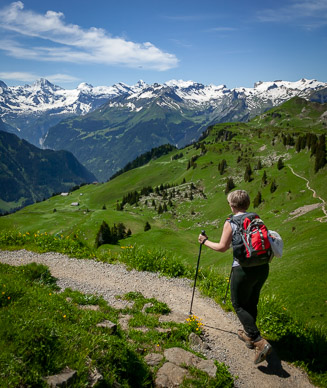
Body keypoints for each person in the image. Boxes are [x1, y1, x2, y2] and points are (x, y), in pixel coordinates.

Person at [198, 189, 272, 365]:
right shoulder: (255, 218)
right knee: (251, 301)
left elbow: (222, 247)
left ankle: (258, 341)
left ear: (232, 205)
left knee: (238, 304)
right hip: (262, 267)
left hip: (243, 269)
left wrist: (204, 241)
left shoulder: (231, 222)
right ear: (247, 203)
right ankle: (248, 334)